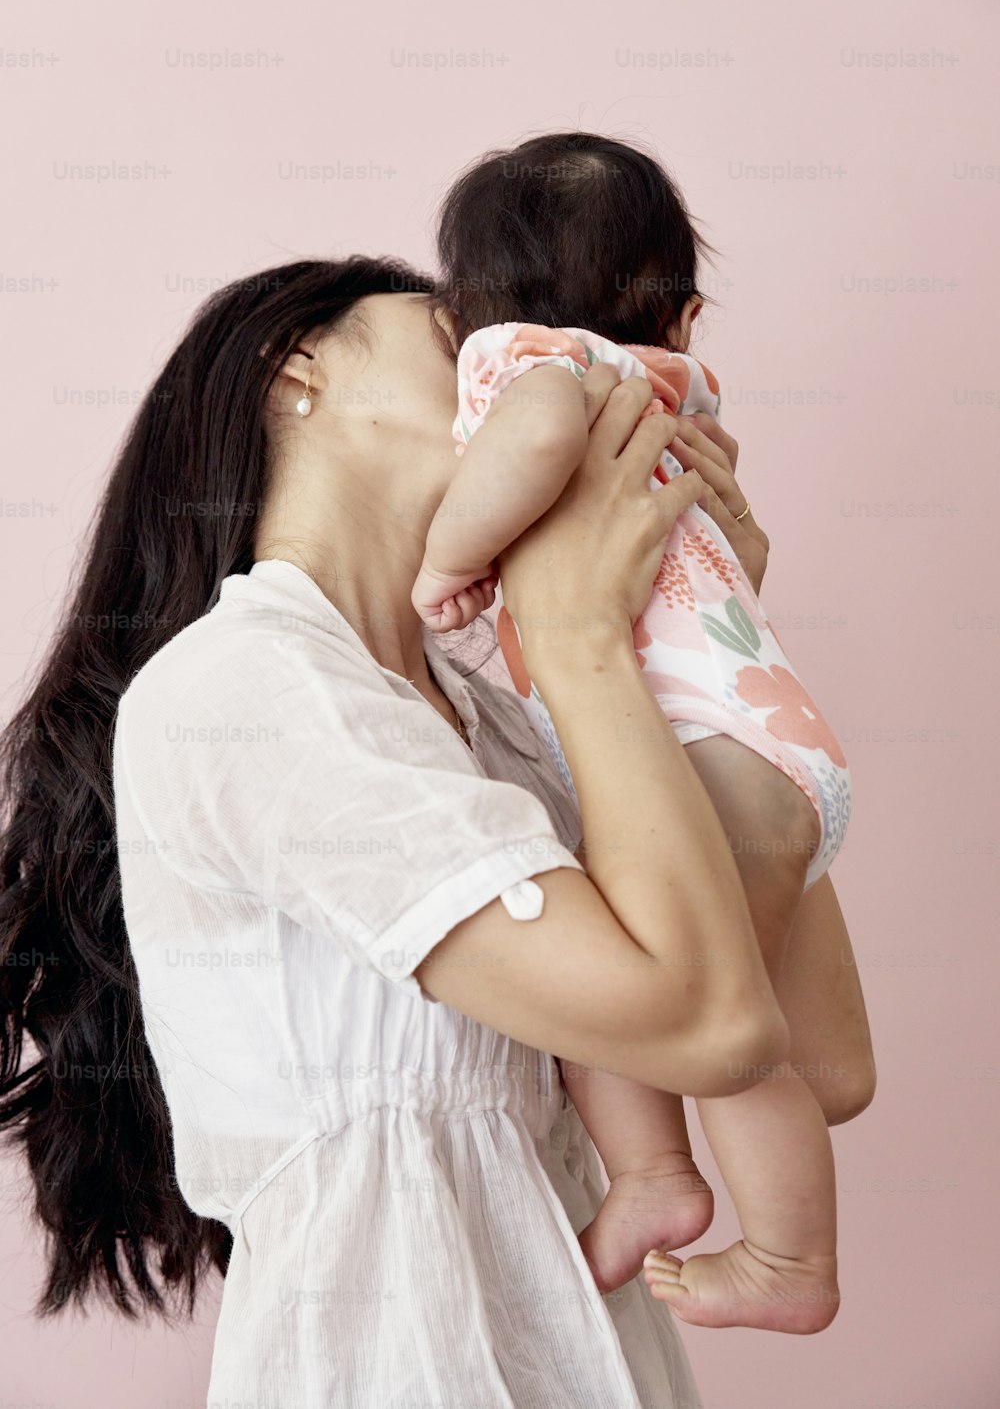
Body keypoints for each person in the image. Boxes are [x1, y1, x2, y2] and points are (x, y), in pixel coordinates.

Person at [0, 253, 849, 1407]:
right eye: (463, 339)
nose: (528, 371)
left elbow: (818, 1052)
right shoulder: (245, 689)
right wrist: (584, 633)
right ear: (292, 369)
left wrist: (712, 665)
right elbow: (707, 1023)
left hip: (590, 1350)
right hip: (403, 1355)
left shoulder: (497, 711)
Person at [411, 132, 876, 1329]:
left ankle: (758, 1241)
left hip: (699, 761)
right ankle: (681, 1186)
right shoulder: (680, 389)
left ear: (465, 309)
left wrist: (451, 556)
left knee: (660, 998)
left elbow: (536, 431)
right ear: (684, 309)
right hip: (769, 742)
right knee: (744, 1030)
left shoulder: (532, 364)